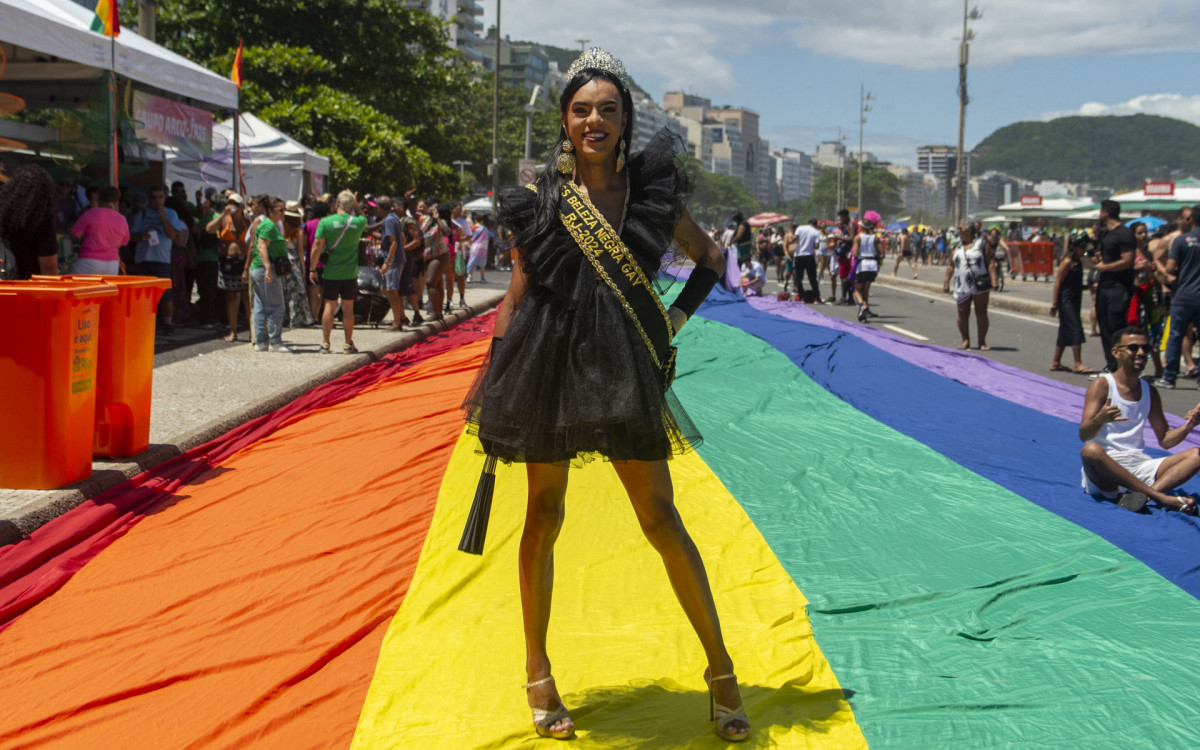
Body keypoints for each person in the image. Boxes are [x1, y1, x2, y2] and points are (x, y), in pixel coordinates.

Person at [461, 48, 748, 742]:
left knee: (659, 518)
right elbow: (521, 290)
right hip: (548, 366)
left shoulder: (651, 193)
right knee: (543, 515)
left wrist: (672, 323)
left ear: (624, 121)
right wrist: (496, 369)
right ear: (566, 118)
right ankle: (538, 669)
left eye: (608, 110)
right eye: (583, 109)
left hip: (625, 367)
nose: (595, 120)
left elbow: (711, 259)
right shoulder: (542, 199)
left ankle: (721, 669)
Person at [1079, 326, 1200, 514]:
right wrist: (1100, 419)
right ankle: (1161, 497)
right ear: (1116, 352)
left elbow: (1166, 440)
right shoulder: (1102, 385)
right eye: (1133, 348)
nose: (1141, 353)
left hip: (1138, 465)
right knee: (1090, 450)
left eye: (1145, 348)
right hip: (1105, 469)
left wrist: (1189, 425)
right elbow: (1084, 434)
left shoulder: (1150, 391)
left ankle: (1143, 497)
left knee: (1196, 455)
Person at [310, 190, 367, 354]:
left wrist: (312, 269)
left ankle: (326, 343)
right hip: (350, 273)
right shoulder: (359, 222)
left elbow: (316, 247)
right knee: (348, 308)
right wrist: (355, 204)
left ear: (336, 204)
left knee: (329, 305)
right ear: (352, 205)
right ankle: (348, 344)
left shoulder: (326, 222)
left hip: (331, 272)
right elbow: (361, 215)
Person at [129, 186, 187, 334]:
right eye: (153, 198)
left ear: (165, 197)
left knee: (165, 292)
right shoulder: (142, 213)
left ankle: (168, 322)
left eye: (160, 197)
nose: (157, 201)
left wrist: (163, 217)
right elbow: (131, 236)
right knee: (143, 294)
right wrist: (142, 236)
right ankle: (144, 321)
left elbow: (173, 234)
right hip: (143, 258)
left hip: (162, 259)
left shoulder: (171, 213)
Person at [1089, 200, 1136, 373]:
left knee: (1117, 328)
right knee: (1105, 327)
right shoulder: (1105, 234)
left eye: (1100, 211)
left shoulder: (1124, 234)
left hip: (1119, 287)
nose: (1099, 215)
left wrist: (1104, 267)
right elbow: (1106, 256)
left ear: (1106, 213)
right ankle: (1111, 366)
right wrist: (1097, 260)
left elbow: (1128, 260)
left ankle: (1123, 367)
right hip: (1104, 286)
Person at [1158, 204, 1200, 389]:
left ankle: (1169, 377)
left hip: (1183, 295)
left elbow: (1169, 268)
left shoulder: (1181, 240)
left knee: (1175, 335)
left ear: (1191, 219)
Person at [247, 198, 291, 352]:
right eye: (280, 210)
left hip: (259, 269)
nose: (283, 213)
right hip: (264, 268)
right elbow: (261, 246)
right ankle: (275, 341)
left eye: (283, 209)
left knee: (260, 305)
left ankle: (261, 341)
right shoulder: (268, 225)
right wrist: (267, 268)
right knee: (277, 306)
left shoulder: (270, 225)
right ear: (270, 211)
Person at [0, 164, 58, 279]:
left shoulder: (4, 212)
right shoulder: (41, 219)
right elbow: (48, 265)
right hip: (29, 287)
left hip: (4, 282)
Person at [943, 222, 995, 350]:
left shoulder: (981, 244)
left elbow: (990, 262)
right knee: (962, 313)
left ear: (970, 231)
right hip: (961, 285)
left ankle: (982, 341)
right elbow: (951, 265)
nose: (958, 230)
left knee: (981, 313)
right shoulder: (957, 246)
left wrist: (994, 280)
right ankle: (965, 340)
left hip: (980, 285)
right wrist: (946, 281)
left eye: (961, 228)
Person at [208, 192, 252, 342]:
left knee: (247, 298)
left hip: (244, 261)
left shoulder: (248, 221)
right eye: (230, 203)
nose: (233, 207)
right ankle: (233, 331)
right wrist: (222, 214)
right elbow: (209, 229)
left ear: (242, 206)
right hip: (227, 261)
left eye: (236, 204)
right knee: (231, 298)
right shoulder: (224, 219)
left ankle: (253, 331)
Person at [1049, 232, 1093, 374]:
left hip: (1074, 299)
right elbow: (1058, 283)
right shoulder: (1067, 262)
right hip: (1066, 301)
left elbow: (1074, 284)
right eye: (1081, 247)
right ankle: (1078, 363)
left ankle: (1055, 362)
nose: (1083, 250)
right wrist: (1054, 304)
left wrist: (1088, 287)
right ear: (1073, 247)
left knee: (1064, 331)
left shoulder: (1077, 262)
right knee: (1075, 328)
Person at [69, 185, 127, 275]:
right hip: (113, 265)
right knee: (104, 289)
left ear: (98, 197)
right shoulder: (122, 218)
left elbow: (74, 234)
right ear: (116, 201)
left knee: (69, 283)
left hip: (88, 261)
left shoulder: (92, 213)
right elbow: (124, 242)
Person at [377, 195, 409, 331]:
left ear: (380, 208)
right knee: (386, 289)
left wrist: (387, 263)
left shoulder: (389, 220)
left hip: (393, 261)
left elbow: (394, 242)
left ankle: (397, 323)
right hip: (397, 259)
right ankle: (401, 316)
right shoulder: (394, 217)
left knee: (392, 291)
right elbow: (402, 238)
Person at [281, 200, 314, 329]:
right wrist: (302, 266)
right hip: (293, 259)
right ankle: (297, 318)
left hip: (282, 258)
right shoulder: (299, 229)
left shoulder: (280, 226)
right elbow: (300, 248)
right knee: (296, 291)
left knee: (284, 290)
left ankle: (284, 318)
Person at [852, 210, 883, 322]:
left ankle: (862, 305)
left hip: (863, 264)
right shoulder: (876, 238)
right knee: (866, 290)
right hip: (873, 265)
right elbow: (881, 253)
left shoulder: (858, 237)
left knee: (856, 290)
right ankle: (864, 312)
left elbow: (855, 254)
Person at [792, 219, 821, 302]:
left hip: (799, 255)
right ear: (815, 224)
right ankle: (816, 297)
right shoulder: (816, 232)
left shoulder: (800, 228)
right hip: (809, 256)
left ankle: (801, 297)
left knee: (798, 277)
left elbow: (794, 238)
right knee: (812, 278)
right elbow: (817, 246)